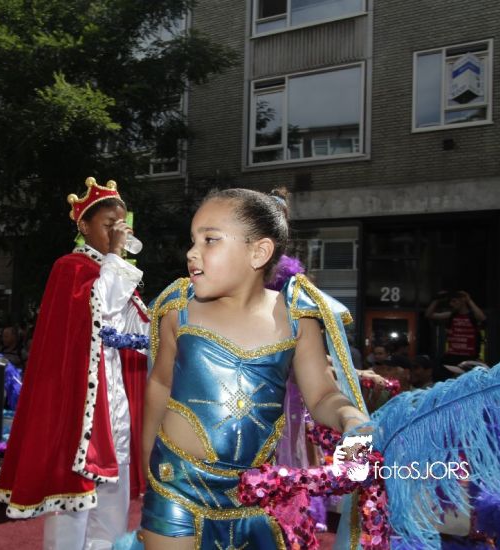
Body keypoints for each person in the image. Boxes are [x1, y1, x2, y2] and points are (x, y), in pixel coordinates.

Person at [140, 188, 369, 549]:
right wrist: (146, 462)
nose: (191, 252)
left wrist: (350, 418)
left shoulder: (298, 318)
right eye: (192, 240)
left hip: (257, 496)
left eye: (210, 239)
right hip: (176, 486)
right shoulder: (178, 310)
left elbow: (322, 395)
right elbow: (160, 385)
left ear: (259, 252)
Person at [0, 177, 149, 550]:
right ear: (84, 225)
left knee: (113, 500)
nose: (116, 232)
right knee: (73, 502)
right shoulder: (71, 268)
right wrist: (116, 257)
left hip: (115, 400)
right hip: (80, 404)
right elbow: (101, 308)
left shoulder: (117, 272)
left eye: (121, 224)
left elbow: (136, 333)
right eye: (108, 224)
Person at [426, 290, 487, 381]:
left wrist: (469, 300)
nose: (451, 304)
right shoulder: (452, 315)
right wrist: (436, 300)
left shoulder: (472, 316)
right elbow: (429, 315)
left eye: (454, 301)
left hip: (468, 358)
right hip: (452, 357)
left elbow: (482, 318)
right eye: (451, 301)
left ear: (462, 300)